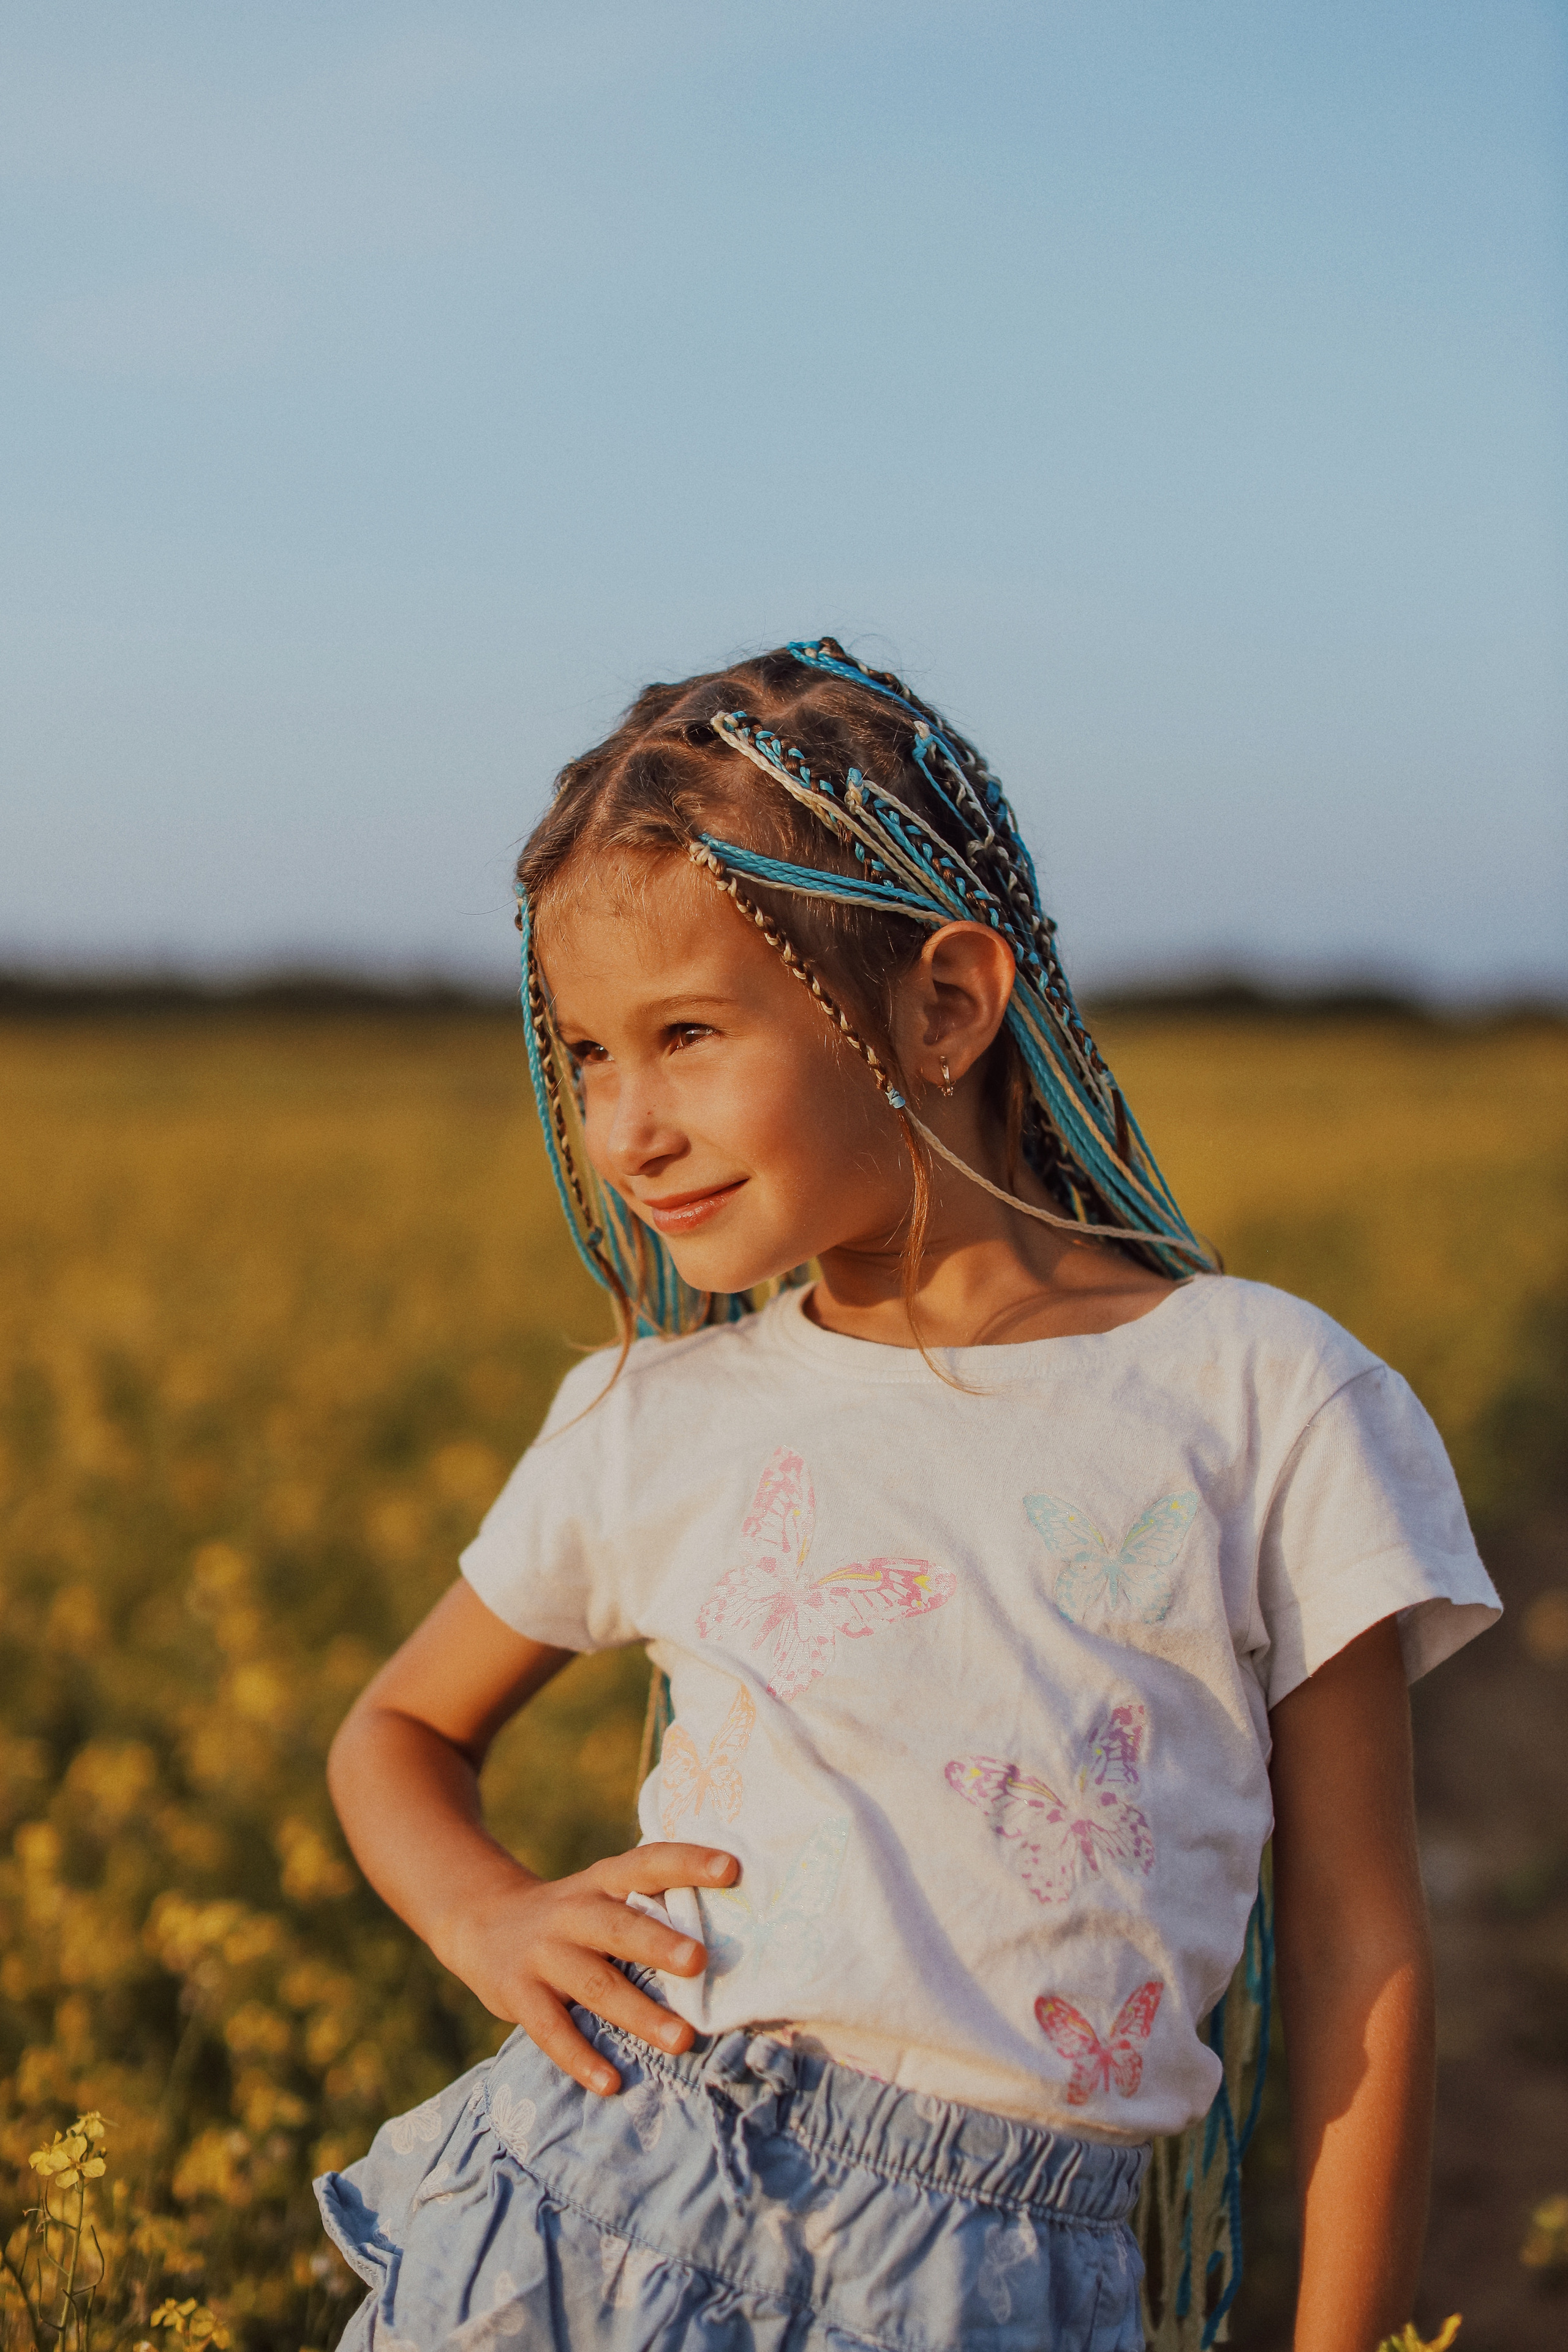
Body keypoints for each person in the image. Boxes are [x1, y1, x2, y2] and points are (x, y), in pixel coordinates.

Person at [318, 639, 1499, 2351]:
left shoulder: (1262, 1394)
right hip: (593, 2201)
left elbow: (1356, 1947)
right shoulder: (658, 1413)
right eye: (586, 1055)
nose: (624, 1130)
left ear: (943, 1005)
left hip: (985, 2279)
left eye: (690, 1034)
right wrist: (484, 1914)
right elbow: (396, 1732)